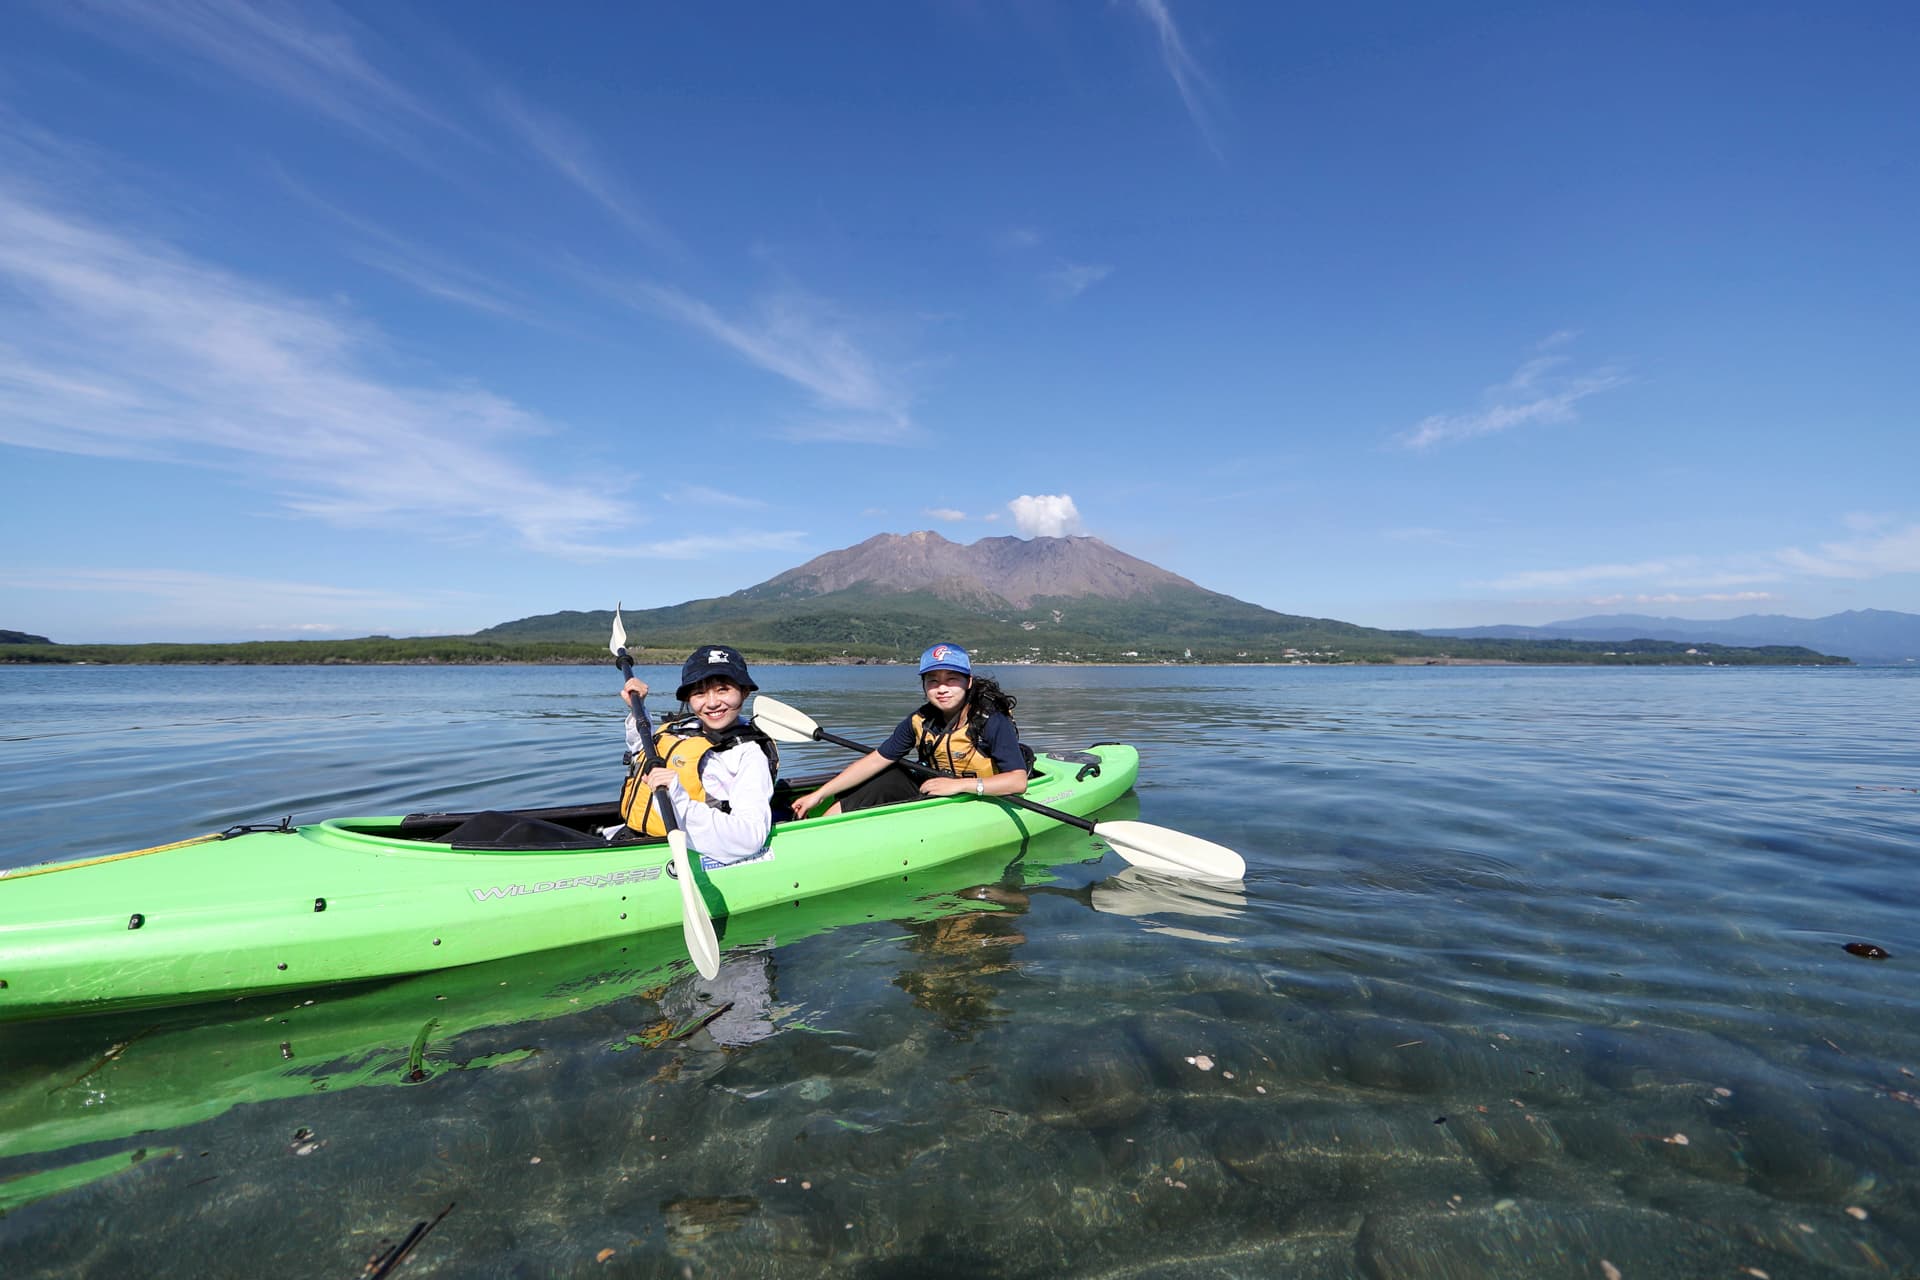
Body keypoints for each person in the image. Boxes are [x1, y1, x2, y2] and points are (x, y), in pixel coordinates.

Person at [790, 642, 1028, 819]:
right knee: (887, 774)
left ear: (968, 682)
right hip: (937, 790)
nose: (942, 688)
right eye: (933, 680)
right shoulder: (919, 720)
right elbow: (876, 761)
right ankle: (824, 825)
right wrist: (819, 794)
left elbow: (1017, 781)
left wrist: (960, 786)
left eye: (951, 679)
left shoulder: (991, 720)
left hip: (983, 794)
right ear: (924, 685)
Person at [619, 644, 779, 865]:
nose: (712, 703)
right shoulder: (685, 728)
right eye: (699, 693)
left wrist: (677, 796)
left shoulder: (749, 754)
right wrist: (637, 708)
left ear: (744, 692)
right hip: (632, 836)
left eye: (723, 689)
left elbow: (750, 838)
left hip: (680, 849)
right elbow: (642, 752)